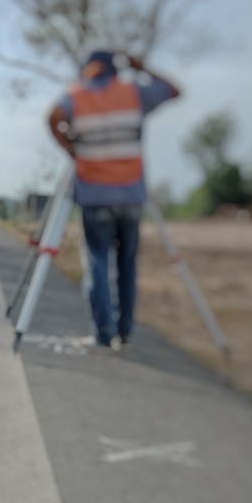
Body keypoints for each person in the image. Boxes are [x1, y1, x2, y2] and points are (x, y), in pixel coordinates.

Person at [47, 50, 181, 350]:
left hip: (94, 193)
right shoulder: (133, 92)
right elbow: (174, 90)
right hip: (131, 193)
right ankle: (125, 329)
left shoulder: (76, 95)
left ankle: (104, 332)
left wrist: (70, 147)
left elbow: (53, 117)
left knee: (97, 262)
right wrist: (142, 66)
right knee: (127, 264)